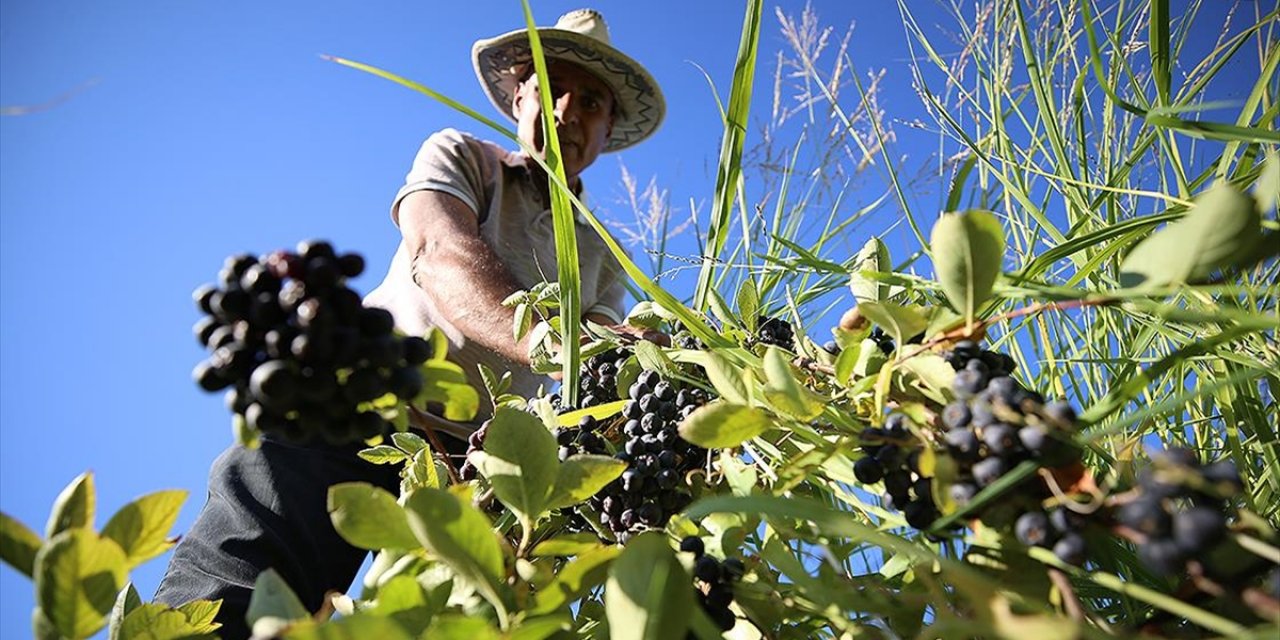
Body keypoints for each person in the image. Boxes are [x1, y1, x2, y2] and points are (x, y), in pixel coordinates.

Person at [154, 9, 665, 638]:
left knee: (427, 621)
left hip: (481, 465)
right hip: (356, 402)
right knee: (238, 583)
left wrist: (645, 357)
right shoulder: (463, 155)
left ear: (607, 126)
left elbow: (605, 351)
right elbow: (438, 251)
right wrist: (548, 339)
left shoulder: (604, 251)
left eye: (590, 101)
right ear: (520, 92)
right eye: (552, 87)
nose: (567, 110)